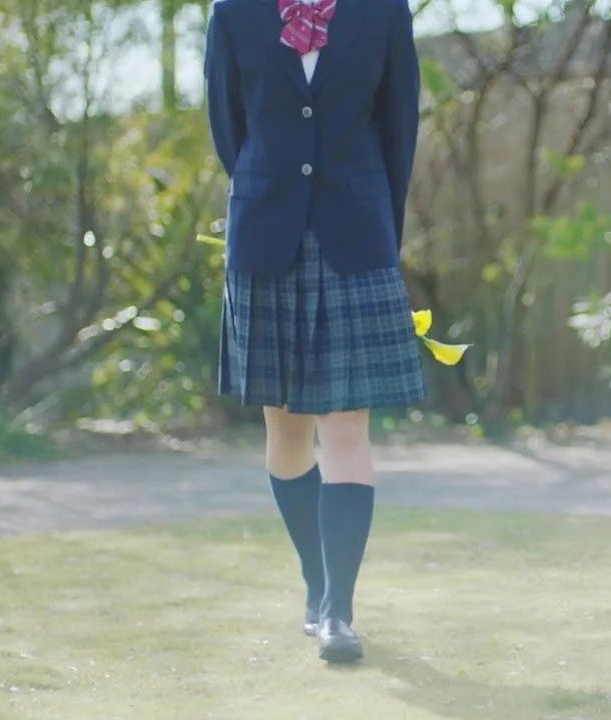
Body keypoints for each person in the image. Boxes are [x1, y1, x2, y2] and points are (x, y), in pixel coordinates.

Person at [203, 0, 423, 663]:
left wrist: (380, 227)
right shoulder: (233, 13)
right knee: (287, 430)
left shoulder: (383, 11)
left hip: (355, 236)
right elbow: (229, 131)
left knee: (347, 425)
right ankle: (316, 579)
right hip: (266, 236)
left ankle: (339, 614)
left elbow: (399, 129)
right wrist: (270, 193)